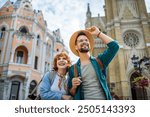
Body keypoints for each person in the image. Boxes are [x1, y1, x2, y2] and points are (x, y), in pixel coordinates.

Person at [68, 26, 120, 100]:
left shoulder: (100, 61)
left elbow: (115, 46)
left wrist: (98, 33)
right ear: (76, 47)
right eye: (81, 41)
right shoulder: (73, 69)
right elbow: (71, 93)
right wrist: (73, 86)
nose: (84, 42)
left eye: (86, 40)